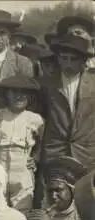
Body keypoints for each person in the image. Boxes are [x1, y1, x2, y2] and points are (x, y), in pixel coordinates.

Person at [0, 75, 44, 212]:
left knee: (22, 210)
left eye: (23, 93)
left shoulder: (36, 120)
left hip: (22, 172)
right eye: (14, 92)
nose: (19, 96)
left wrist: (36, 158)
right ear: (7, 94)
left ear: (30, 96)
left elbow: (42, 143)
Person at [41, 34, 95, 171]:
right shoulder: (46, 85)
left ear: (83, 60)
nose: (68, 64)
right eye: (64, 59)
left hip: (87, 154)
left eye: (73, 59)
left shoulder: (93, 82)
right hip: (55, 152)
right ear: (58, 59)